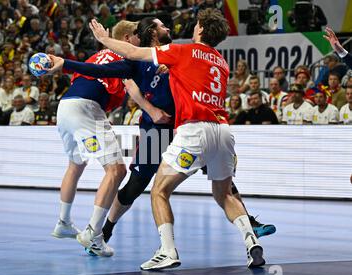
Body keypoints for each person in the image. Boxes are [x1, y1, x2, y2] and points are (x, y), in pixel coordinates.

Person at [46, 17, 276, 258]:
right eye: (162, 25)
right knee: (136, 185)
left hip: (190, 127)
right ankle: (104, 232)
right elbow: (101, 72)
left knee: (223, 181)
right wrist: (66, 64)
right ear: (152, 32)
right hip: (158, 128)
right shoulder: (138, 61)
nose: (169, 27)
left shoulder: (178, 54)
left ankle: (249, 223)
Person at [46, 21, 139, 257]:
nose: (141, 41)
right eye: (138, 36)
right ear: (127, 39)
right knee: (117, 170)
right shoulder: (126, 57)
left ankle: (63, 222)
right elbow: (129, 87)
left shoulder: (98, 55)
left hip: (65, 106)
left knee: (76, 164)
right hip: (87, 109)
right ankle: (94, 234)